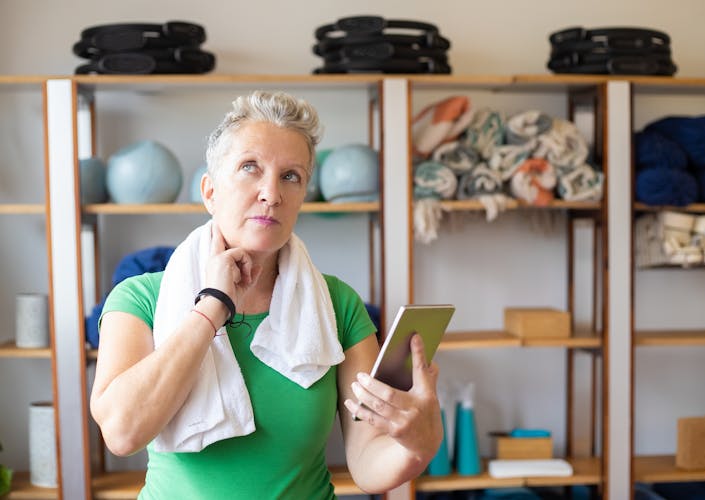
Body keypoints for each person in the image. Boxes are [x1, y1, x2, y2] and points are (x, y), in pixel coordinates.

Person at [89, 90, 443, 499]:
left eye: (290, 176)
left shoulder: (338, 306)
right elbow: (121, 432)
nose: (271, 194)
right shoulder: (139, 299)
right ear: (209, 192)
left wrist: (419, 443)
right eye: (249, 168)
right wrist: (211, 308)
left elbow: (366, 463)